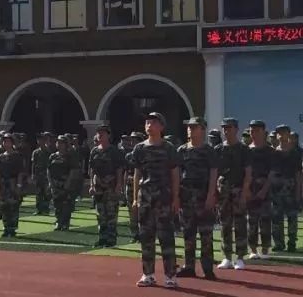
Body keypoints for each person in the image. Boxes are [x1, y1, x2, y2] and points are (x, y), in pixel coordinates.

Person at [131, 112, 180, 289]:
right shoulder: (139, 149)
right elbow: (137, 174)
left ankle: (170, 276)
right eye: (147, 122)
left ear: (161, 126)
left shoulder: (168, 148)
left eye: (153, 122)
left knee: (166, 238)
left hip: (164, 199)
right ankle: (148, 274)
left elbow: (175, 173)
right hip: (145, 199)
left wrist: (176, 198)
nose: (149, 125)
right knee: (146, 237)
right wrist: (135, 198)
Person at [177, 117, 218, 280]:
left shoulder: (209, 151)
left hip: (203, 196)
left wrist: (211, 195)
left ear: (203, 130)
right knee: (188, 233)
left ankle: (207, 268)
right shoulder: (182, 150)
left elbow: (214, 173)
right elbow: (177, 174)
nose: (190, 130)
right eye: (189, 127)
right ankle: (189, 266)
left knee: (206, 234)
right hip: (186, 197)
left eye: (194, 127)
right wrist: (177, 195)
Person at [216, 117, 251, 270]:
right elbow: (214, 172)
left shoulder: (244, 150)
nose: (226, 130)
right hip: (223, 190)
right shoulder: (218, 149)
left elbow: (248, 173)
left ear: (236, 129)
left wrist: (244, 192)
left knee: (240, 224)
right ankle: (227, 257)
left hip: (238, 189)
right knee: (224, 224)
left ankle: (240, 257)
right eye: (224, 128)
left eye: (229, 128)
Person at [89, 124, 125, 248]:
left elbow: (119, 169)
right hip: (98, 186)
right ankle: (102, 238)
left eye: (102, 133)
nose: (100, 135)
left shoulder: (114, 151)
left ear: (108, 135)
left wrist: (119, 185)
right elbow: (92, 170)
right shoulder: (94, 151)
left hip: (111, 186)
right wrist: (92, 185)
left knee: (111, 213)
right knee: (100, 214)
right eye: (98, 133)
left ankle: (111, 238)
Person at [270, 124, 302, 252]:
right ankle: (279, 243)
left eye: (284, 133)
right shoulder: (273, 153)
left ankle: (292, 242)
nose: (281, 135)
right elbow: (271, 173)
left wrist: (299, 191)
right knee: (276, 219)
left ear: (289, 134)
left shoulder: (295, 153)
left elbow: (298, 173)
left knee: (292, 218)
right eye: (279, 133)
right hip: (276, 190)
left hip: (291, 189)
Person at [246, 120, 274, 261]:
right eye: (251, 130)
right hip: (250, 190)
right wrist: (247, 190)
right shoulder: (247, 150)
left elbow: (272, 172)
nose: (254, 133)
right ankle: (252, 249)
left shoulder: (270, 151)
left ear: (263, 132)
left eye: (257, 130)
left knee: (265, 221)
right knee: (252, 221)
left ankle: (265, 248)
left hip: (265, 190)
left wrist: (264, 190)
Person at [0, 133, 24, 237]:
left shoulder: (17, 156)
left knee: (13, 206)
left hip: (13, 182)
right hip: (3, 183)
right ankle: (6, 227)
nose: (6, 143)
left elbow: (20, 172)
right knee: (4, 206)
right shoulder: (1, 157)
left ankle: (12, 228)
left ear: (12, 143)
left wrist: (19, 186)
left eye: (8, 141)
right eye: (4, 141)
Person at [48, 135, 79, 231]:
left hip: (65, 183)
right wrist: (50, 182)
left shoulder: (70, 156)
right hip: (55, 183)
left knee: (66, 204)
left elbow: (73, 171)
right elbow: (48, 170)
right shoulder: (53, 156)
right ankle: (58, 222)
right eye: (58, 142)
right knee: (57, 204)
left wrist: (68, 183)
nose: (59, 144)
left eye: (61, 143)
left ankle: (65, 223)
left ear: (66, 145)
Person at [32, 133, 54, 215]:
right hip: (38, 174)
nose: (39, 141)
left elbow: (51, 164)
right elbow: (33, 164)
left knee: (46, 192)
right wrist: (33, 174)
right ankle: (39, 209)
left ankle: (45, 209)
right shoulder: (35, 152)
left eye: (41, 139)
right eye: (38, 140)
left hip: (46, 174)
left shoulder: (48, 152)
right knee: (38, 192)